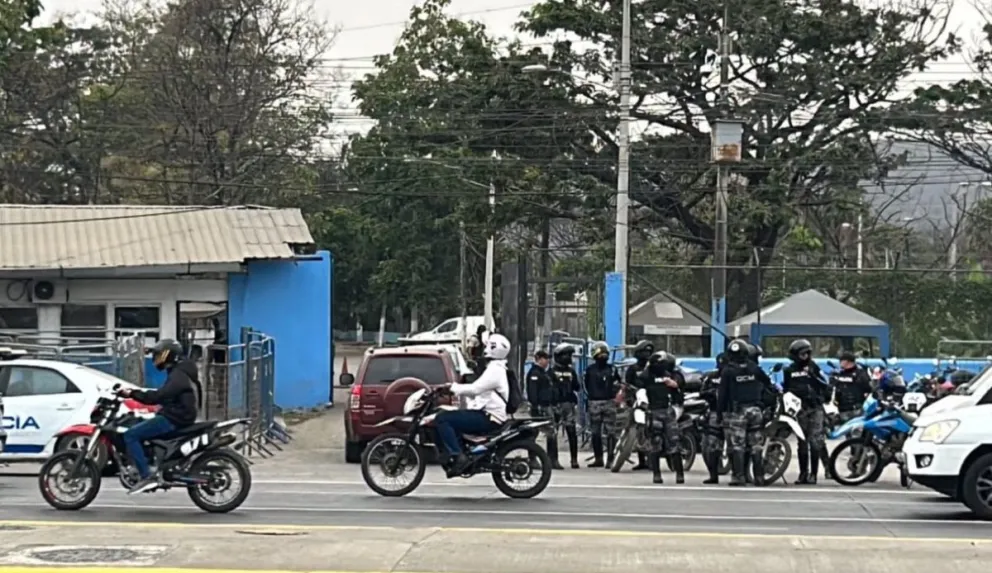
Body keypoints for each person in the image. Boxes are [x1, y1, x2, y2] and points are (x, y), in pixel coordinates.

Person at [118, 338, 199, 494]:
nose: (156, 359)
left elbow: (159, 396)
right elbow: (168, 396)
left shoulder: (178, 375)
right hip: (178, 415)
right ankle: (152, 463)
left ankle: (147, 476)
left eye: (158, 355)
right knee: (139, 423)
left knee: (131, 435)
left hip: (175, 418)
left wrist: (133, 394)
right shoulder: (181, 371)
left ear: (168, 355)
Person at [434, 333, 512, 476]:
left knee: (442, 418)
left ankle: (458, 456)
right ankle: (462, 452)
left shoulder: (495, 370)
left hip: (489, 417)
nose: (484, 348)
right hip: (487, 413)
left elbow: (475, 388)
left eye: (487, 345)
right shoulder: (496, 368)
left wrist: (453, 387)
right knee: (451, 417)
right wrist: (455, 391)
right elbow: (478, 392)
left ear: (493, 348)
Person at [718, 339, 777, 486]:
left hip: (737, 413)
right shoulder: (754, 368)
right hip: (755, 411)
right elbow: (768, 383)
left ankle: (739, 477)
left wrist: (720, 413)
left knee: (738, 445)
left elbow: (722, 394)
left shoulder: (728, 371)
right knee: (756, 445)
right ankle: (759, 477)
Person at [782, 339, 831, 484]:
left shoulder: (813, 367)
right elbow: (786, 389)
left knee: (815, 441)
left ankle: (813, 474)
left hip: (815, 408)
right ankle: (803, 473)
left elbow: (824, 385)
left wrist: (813, 376)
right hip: (799, 409)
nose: (805, 357)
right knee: (802, 442)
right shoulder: (789, 370)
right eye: (802, 354)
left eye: (807, 354)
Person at [635, 350, 685, 484]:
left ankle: (679, 474)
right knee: (655, 443)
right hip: (654, 412)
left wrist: (674, 384)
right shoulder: (646, 376)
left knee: (674, 442)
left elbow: (679, 387)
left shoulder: (669, 375)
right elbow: (638, 386)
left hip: (667, 411)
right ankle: (656, 474)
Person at [584, 342, 620, 468]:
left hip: (609, 401)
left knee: (611, 432)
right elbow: (586, 385)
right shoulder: (590, 370)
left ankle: (610, 458)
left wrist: (614, 396)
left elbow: (617, 384)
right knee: (595, 433)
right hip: (594, 402)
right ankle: (598, 458)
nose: (603, 356)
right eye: (601, 353)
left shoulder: (612, 369)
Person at [623, 340, 654, 471]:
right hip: (636, 401)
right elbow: (627, 384)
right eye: (644, 352)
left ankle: (651, 460)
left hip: (650, 402)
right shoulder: (632, 369)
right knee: (636, 428)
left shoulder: (653, 368)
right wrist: (628, 398)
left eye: (649, 352)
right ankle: (642, 460)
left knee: (650, 430)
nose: (646, 354)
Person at [549, 343, 581, 469]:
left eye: (569, 355)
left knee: (571, 432)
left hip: (568, 404)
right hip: (555, 404)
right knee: (553, 432)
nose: (568, 357)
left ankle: (574, 459)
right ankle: (553, 460)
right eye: (566, 355)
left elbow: (576, 386)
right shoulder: (551, 371)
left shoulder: (571, 371)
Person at [699, 352, 727, 484]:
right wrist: (711, 393)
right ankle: (713, 475)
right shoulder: (711, 376)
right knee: (710, 445)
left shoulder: (733, 375)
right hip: (714, 412)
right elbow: (702, 392)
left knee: (737, 446)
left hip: (732, 413)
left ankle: (740, 475)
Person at [830, 351, 873, 424]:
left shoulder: (861, 374)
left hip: (857, 410)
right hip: (842, 410)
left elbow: (869, 389)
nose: (840, 362)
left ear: (847, 361)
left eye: (841, 360)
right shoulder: (839, 374)